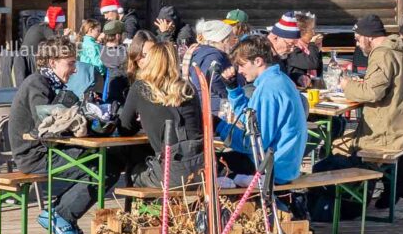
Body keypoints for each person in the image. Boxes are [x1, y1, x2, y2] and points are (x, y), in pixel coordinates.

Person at [6, 39, 94, 234]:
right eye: (70, 64)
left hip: (47, 150)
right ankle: (61, 215)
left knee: (103, 161)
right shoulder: (38, 83)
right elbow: (47, 127)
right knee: (99, 166)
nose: (74, 70)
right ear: (53, 62)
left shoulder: (51, 83)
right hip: (34, 155)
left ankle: (60, 213)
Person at [337, 14, 403, 201]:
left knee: (338, 146)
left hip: (393, 131)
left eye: (358, 39)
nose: (357, 44)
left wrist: (347, 85)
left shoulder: (382, 53)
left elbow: (372, 93)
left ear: (368, 37)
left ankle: (351, 200)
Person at [220, 35, 309, 186]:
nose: (239, 70)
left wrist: (220, 128)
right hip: (283, 164)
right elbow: (251, 121)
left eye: (242, 65)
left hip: (273, 170)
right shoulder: (278, 79)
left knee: (212, 166)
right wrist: (234, 90)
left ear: (258, 61)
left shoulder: (269, 89)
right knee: (221, 162)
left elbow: (256, 142)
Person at [116, 39, 202, 184]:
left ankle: (146, 206)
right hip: (202, 169)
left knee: (135, 170)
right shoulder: (188, 88)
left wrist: (143, 120)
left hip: (171, 173)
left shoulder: (141, 88)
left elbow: (125, 128)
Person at [268, 12, 319, 88]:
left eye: (293, 45)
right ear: (275, 37)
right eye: (289, 44)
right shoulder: (261, 54)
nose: (291, 49)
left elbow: (286, 75)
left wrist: (298, 78)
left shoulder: (279, 55)